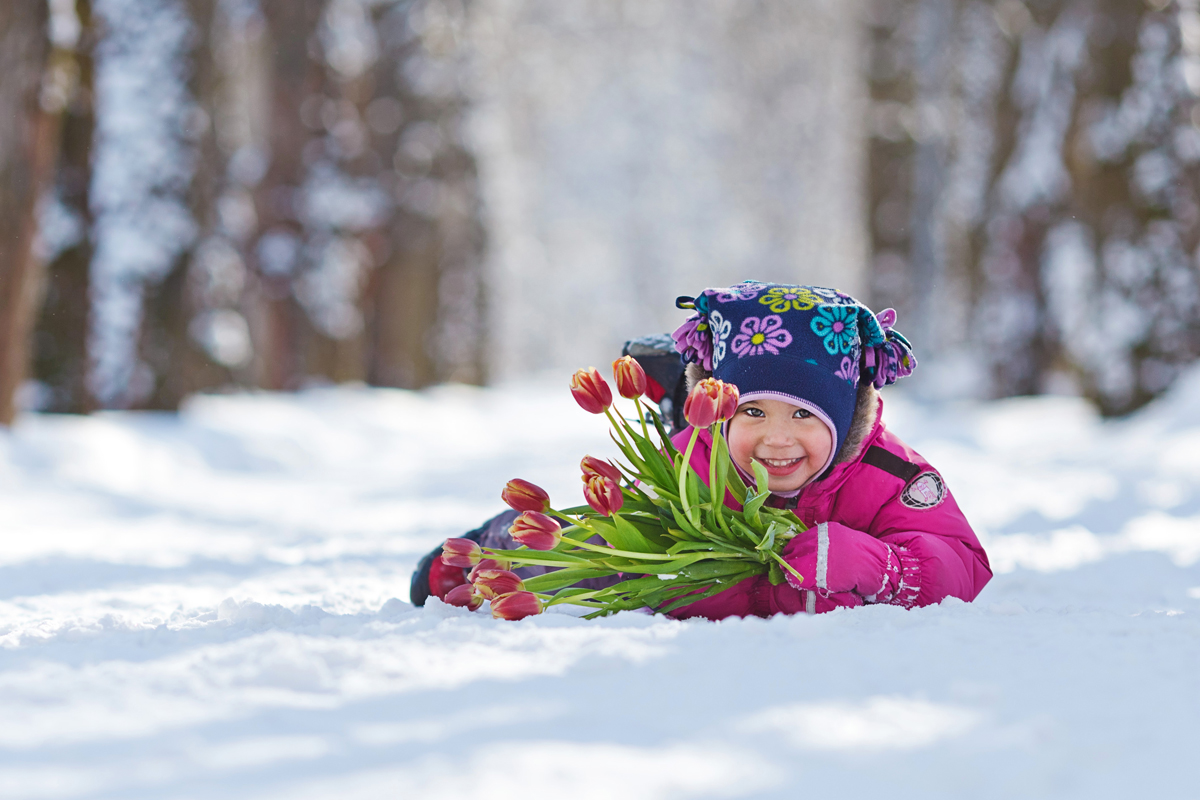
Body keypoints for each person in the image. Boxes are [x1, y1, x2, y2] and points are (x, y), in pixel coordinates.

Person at [411, 281, 991, 618]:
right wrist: (488, 561)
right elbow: (604, 546)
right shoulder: (696, 460)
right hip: (695, 442)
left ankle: (680, 383)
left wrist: (884, 569)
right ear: (721, 414)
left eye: (804, 416)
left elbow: (963, 564)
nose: (778, 437)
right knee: (610, 556)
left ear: (843, 416)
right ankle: (677, 387)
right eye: (752, 412)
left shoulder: (889, 475)